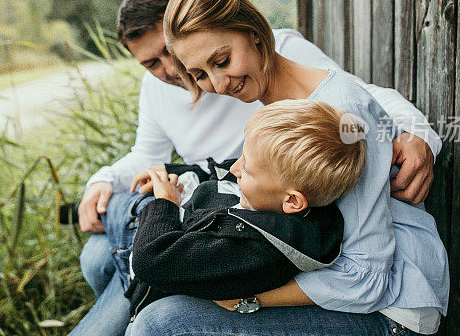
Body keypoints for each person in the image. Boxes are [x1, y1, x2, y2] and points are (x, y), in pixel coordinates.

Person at [37, 0, 442, 336]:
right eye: (199, 74)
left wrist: (249, 298)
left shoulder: (337, 116)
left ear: (252, 31)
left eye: (221, 60)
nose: (218, 82)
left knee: (158, 328)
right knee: (121, 272)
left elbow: (366, 277)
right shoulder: (285, 107)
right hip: (349, 294)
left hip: (389, 319)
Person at [126, 99, 366, 320]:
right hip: (156, 229)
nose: (236, 167)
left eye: (247, 168)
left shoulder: (254, 250)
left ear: (292, 201)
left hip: (152, 289)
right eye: (242, 154)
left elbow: (150, 261)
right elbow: (219, 175)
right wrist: (172, 173)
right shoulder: (266, 193)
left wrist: (165, 202)